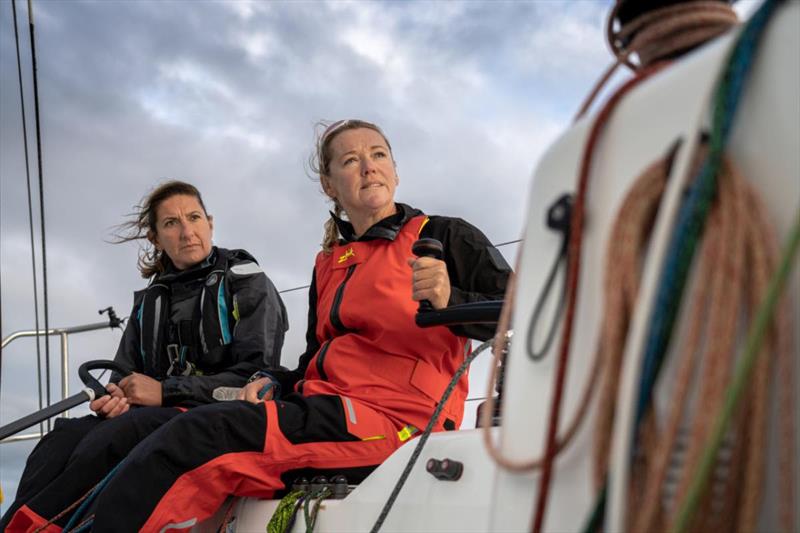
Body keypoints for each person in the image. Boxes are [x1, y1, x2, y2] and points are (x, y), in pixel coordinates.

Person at [53, 119, 509, 531]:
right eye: (351, 160)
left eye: (378, 155)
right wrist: (271, 380)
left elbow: (525, 313)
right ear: (330, 185)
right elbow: (316, 359)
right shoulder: (330, 263)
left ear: (395, 171)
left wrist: (452, 299)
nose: (368, 167)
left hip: (399, 423)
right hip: (326, 411)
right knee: (143, 434)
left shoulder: (445, 236)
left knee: (193, 438)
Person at [2, 180, 288, 531]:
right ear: (155, 238)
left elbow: (257, 378)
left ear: (210, 223)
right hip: (152, 414)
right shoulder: (151, 301)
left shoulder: (247, 282)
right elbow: (122, 376)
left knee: (118, 435)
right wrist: (116, 398)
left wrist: (165, 392)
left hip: (218, 413)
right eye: (171, 223)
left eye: (194, 218)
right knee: (59, 439)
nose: (187, 232)